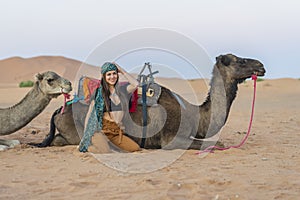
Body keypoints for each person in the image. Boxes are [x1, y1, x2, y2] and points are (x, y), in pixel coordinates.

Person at [78, 62, 140, 153]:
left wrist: (121, 70)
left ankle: (109, 146)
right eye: (109, 74)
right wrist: (85, 136)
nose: (112, 77)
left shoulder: (123, 91)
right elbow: (89, 115)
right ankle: (94, 145)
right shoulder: (99, 94)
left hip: (116, 133)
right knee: (105, 151)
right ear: (104, 76)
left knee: (135, 148)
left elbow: (135, 84)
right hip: (101, 131)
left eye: (114, 73)